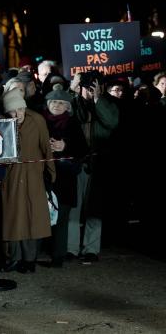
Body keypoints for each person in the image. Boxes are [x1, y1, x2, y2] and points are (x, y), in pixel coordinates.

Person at [0, 89, 55, 273]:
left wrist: (50, 173)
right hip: (12, 175)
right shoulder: (3, 123)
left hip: (33, 175)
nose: (18, 115)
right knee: (13, 216)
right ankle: (14, 258)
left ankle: (30, 259)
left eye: (20, 110)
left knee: (33, 217)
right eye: (13, 112)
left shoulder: (37, 120)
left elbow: (46, 147)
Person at [67, 71, 119, 263]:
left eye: (94, 88)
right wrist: (72, 92)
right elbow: (61, 113)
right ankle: (71, 248)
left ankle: (91, 248)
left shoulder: (108, 104)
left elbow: (111, 122)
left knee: (95, 209)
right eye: (87, 88)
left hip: (99, 164)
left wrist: (97, 99)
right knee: (73, 207)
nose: (89, 92)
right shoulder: (74, 103)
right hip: (77, 163)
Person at [41, 85, 88, 267]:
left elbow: (83, 149)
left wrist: (65, 146)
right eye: (54, 102)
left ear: (68, 106)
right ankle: (34, 253)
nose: (57, 105)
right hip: (43, 176)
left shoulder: (73, 123)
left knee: (62, 218)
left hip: (65, 179)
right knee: (41, 215)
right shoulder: (40, 121)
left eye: (61, 103)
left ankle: (58, 256)